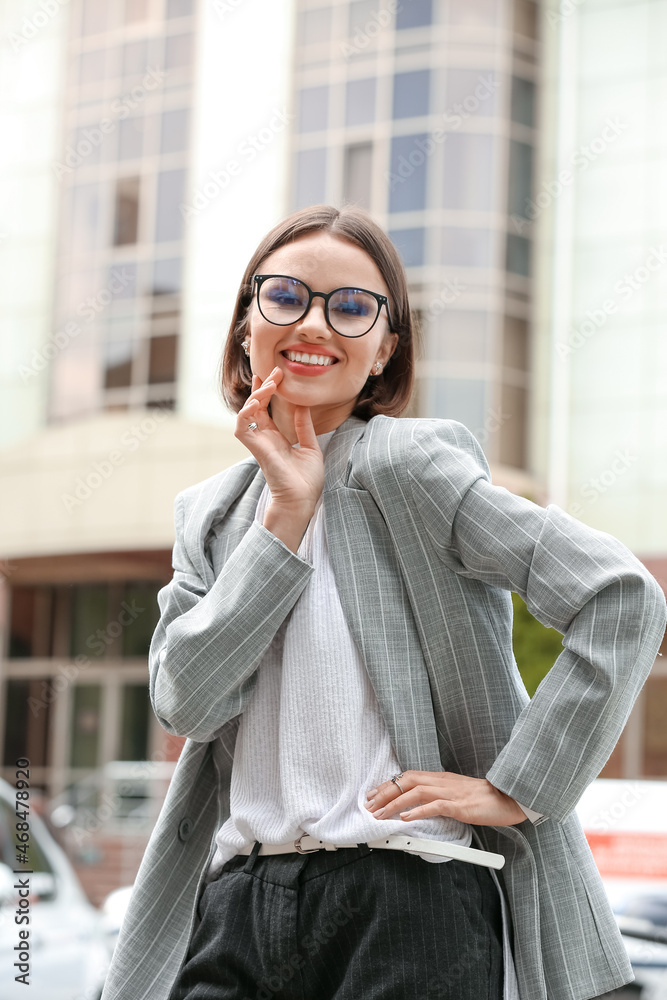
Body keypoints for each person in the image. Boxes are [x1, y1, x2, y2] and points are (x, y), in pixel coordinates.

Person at [100, 204, 666, 1000]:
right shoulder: (213, 514)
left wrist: (517, 786)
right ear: (245, 322)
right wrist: (285, 519)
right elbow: (186, 703)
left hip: (407, 904)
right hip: (238, 905)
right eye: (287, 295)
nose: (315, 323)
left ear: (383, 350)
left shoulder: (406, 466)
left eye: (352, 307)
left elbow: (619, 595)